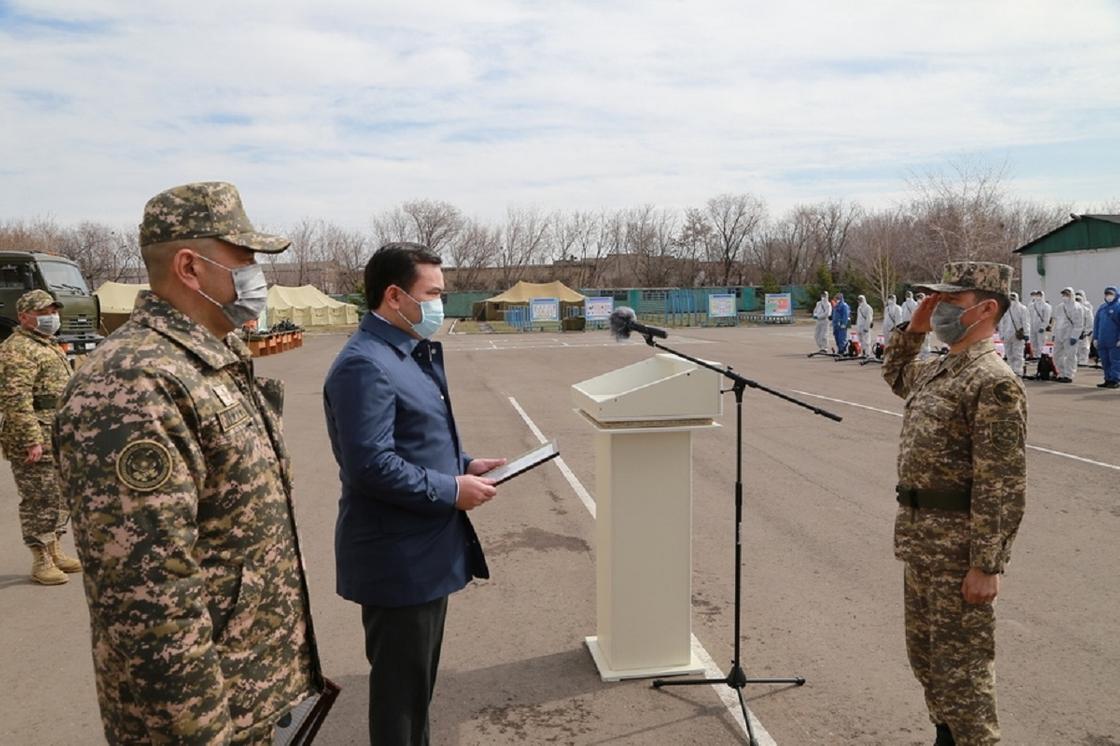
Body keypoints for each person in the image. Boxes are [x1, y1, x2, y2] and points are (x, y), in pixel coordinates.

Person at [53, 182, 324, 743]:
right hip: (198, 720)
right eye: (244, 259)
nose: (257, 274)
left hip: (244, 693)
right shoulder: (132, 384)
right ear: (189, 267)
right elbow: (151, 601)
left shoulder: (211, 358)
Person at [323, 243, 505, 745]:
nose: (440, 304)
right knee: (400, 702)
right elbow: (370, 465)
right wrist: (451, 490)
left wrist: (464, 464)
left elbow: (415, 436)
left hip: (423, 552)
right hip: (398, 560)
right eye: (433, 294)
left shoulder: (403, 351)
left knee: (415, 690)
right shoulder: (367, 364)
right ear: (394, 296)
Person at [882, 262, 1026, 746]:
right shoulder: (942, 367)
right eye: (937, 299)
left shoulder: (993, 380)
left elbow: (1001, 481)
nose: (939, 307)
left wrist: (987, 564)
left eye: (951, 302)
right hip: (922, 544)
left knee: (963, 677)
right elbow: (897, 372)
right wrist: (915, 329)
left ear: (987, 309)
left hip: (957, 552)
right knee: (928, 664)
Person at [0, 289, 80, 585]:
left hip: (56, 433)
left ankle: (55, 548)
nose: (51, 317)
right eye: (43, 312)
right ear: (24, 316)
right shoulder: (18, 348)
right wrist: (30, 440)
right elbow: (16, 399)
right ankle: (41, 559)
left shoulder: (45, 344)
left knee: (58, 496)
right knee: (39, 498)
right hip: (35, 435)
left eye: (52, 311)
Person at [1052, 286, 1086, 383]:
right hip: (1059, 334)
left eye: (1067, 294)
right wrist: (1054, 334)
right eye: (1063, 294)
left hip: (1070, 335)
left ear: (1072, 295)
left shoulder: (1078, 307)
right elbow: (1057, 321)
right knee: (1057, 355)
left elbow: (1079, 323)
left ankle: (1069, 375)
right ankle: (1061, 373)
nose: (1065, 296)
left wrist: (1075, 336)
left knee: (1070, 356)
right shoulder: (1060, 307)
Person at [998, 291, 1030, 378]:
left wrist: (1027, 333)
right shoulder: (1005, 309)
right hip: (1007, 335)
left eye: (1013, 298)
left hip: (1017, 335)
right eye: (1010, 298)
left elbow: (1025, 322)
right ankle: (1012, 369)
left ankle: (1018, 371)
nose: (1011, 300)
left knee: (1018, 353)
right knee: (1009, 353)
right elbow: (1001, 323)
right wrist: (1001, 334)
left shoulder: (1022, 309)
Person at [1094, 286, 1120, 388]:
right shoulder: (1102, 307)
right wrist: (1095, 338)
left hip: (1114, 340)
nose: (1108, 296)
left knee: (1115, 361)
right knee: (1105, 361)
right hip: (1102, 340)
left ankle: (1115, 379)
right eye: (1107, 294)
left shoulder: (1118, 307)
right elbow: (1096, 323)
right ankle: (1107, 379)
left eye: (1111, 294)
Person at [1028, 290, 1052, 360]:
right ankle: (1035, 355)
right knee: (1033, 341)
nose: (1038, 297)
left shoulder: (1046, 306)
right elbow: (1028, 315)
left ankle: (1040, 355)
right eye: (1037, 295)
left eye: (1039, 295)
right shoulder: (1031, 305)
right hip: (1032, 326)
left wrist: (1043, 326)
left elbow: (1046, 317)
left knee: (1041, 341)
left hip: (1040, 326)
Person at [1076, 291, 1094, 366]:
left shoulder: (1087, 308)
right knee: (1075, 347)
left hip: (1084, 331)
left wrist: (1087, 331)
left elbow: (1090, 320)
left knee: (1084, 347)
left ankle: (1083, 360)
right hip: (1074, 330)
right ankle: (1076, 360)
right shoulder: (1073, 309)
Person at [856, 294, 874, 359]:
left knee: (866, 341)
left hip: (865, 327)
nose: (859, 301)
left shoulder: (868, 308)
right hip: (860, 326)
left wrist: (866, 327)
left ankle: (867, 353)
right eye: (858, 300)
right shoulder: (859, 308)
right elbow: (858, 318)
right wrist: (857, 327)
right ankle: (862, 352)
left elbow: (869, 318)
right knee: (860, 341)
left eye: (860, 300)